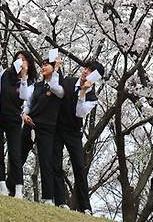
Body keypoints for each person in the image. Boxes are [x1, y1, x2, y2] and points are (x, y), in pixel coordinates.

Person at [53, 60, 102, 214]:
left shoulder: (92, 97)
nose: (85, 72)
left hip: (74, 132)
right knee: (56, 164)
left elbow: (79, 113)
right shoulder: (68, 81)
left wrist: (82, 92)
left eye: (90, 71)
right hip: (57, 128)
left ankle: (85, 207)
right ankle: (60, 201)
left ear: (96, 77)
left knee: (79, 168)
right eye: (86, 68)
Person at [0, 50, 37, 198]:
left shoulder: (30, 82)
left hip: (14, 119)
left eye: (24, 60)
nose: (20, 62)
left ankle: (18, 189)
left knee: (15, 153)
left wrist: (23, 77)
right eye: (17, 59)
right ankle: (2, 185)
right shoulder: (5, 74)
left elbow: (24, 96)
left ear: (29, 63)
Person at [20, 54, 65, 204]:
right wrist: (25, 115)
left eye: (47, 64)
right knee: (19, 154)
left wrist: (57, 68)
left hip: (47, 127)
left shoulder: (59, 86)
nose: (43, 67)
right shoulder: (37, 86)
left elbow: (56, 90)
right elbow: (29, 103)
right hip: (31, 122)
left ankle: (48, 197)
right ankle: (12, 185)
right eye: (42, 65)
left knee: (46, 160)